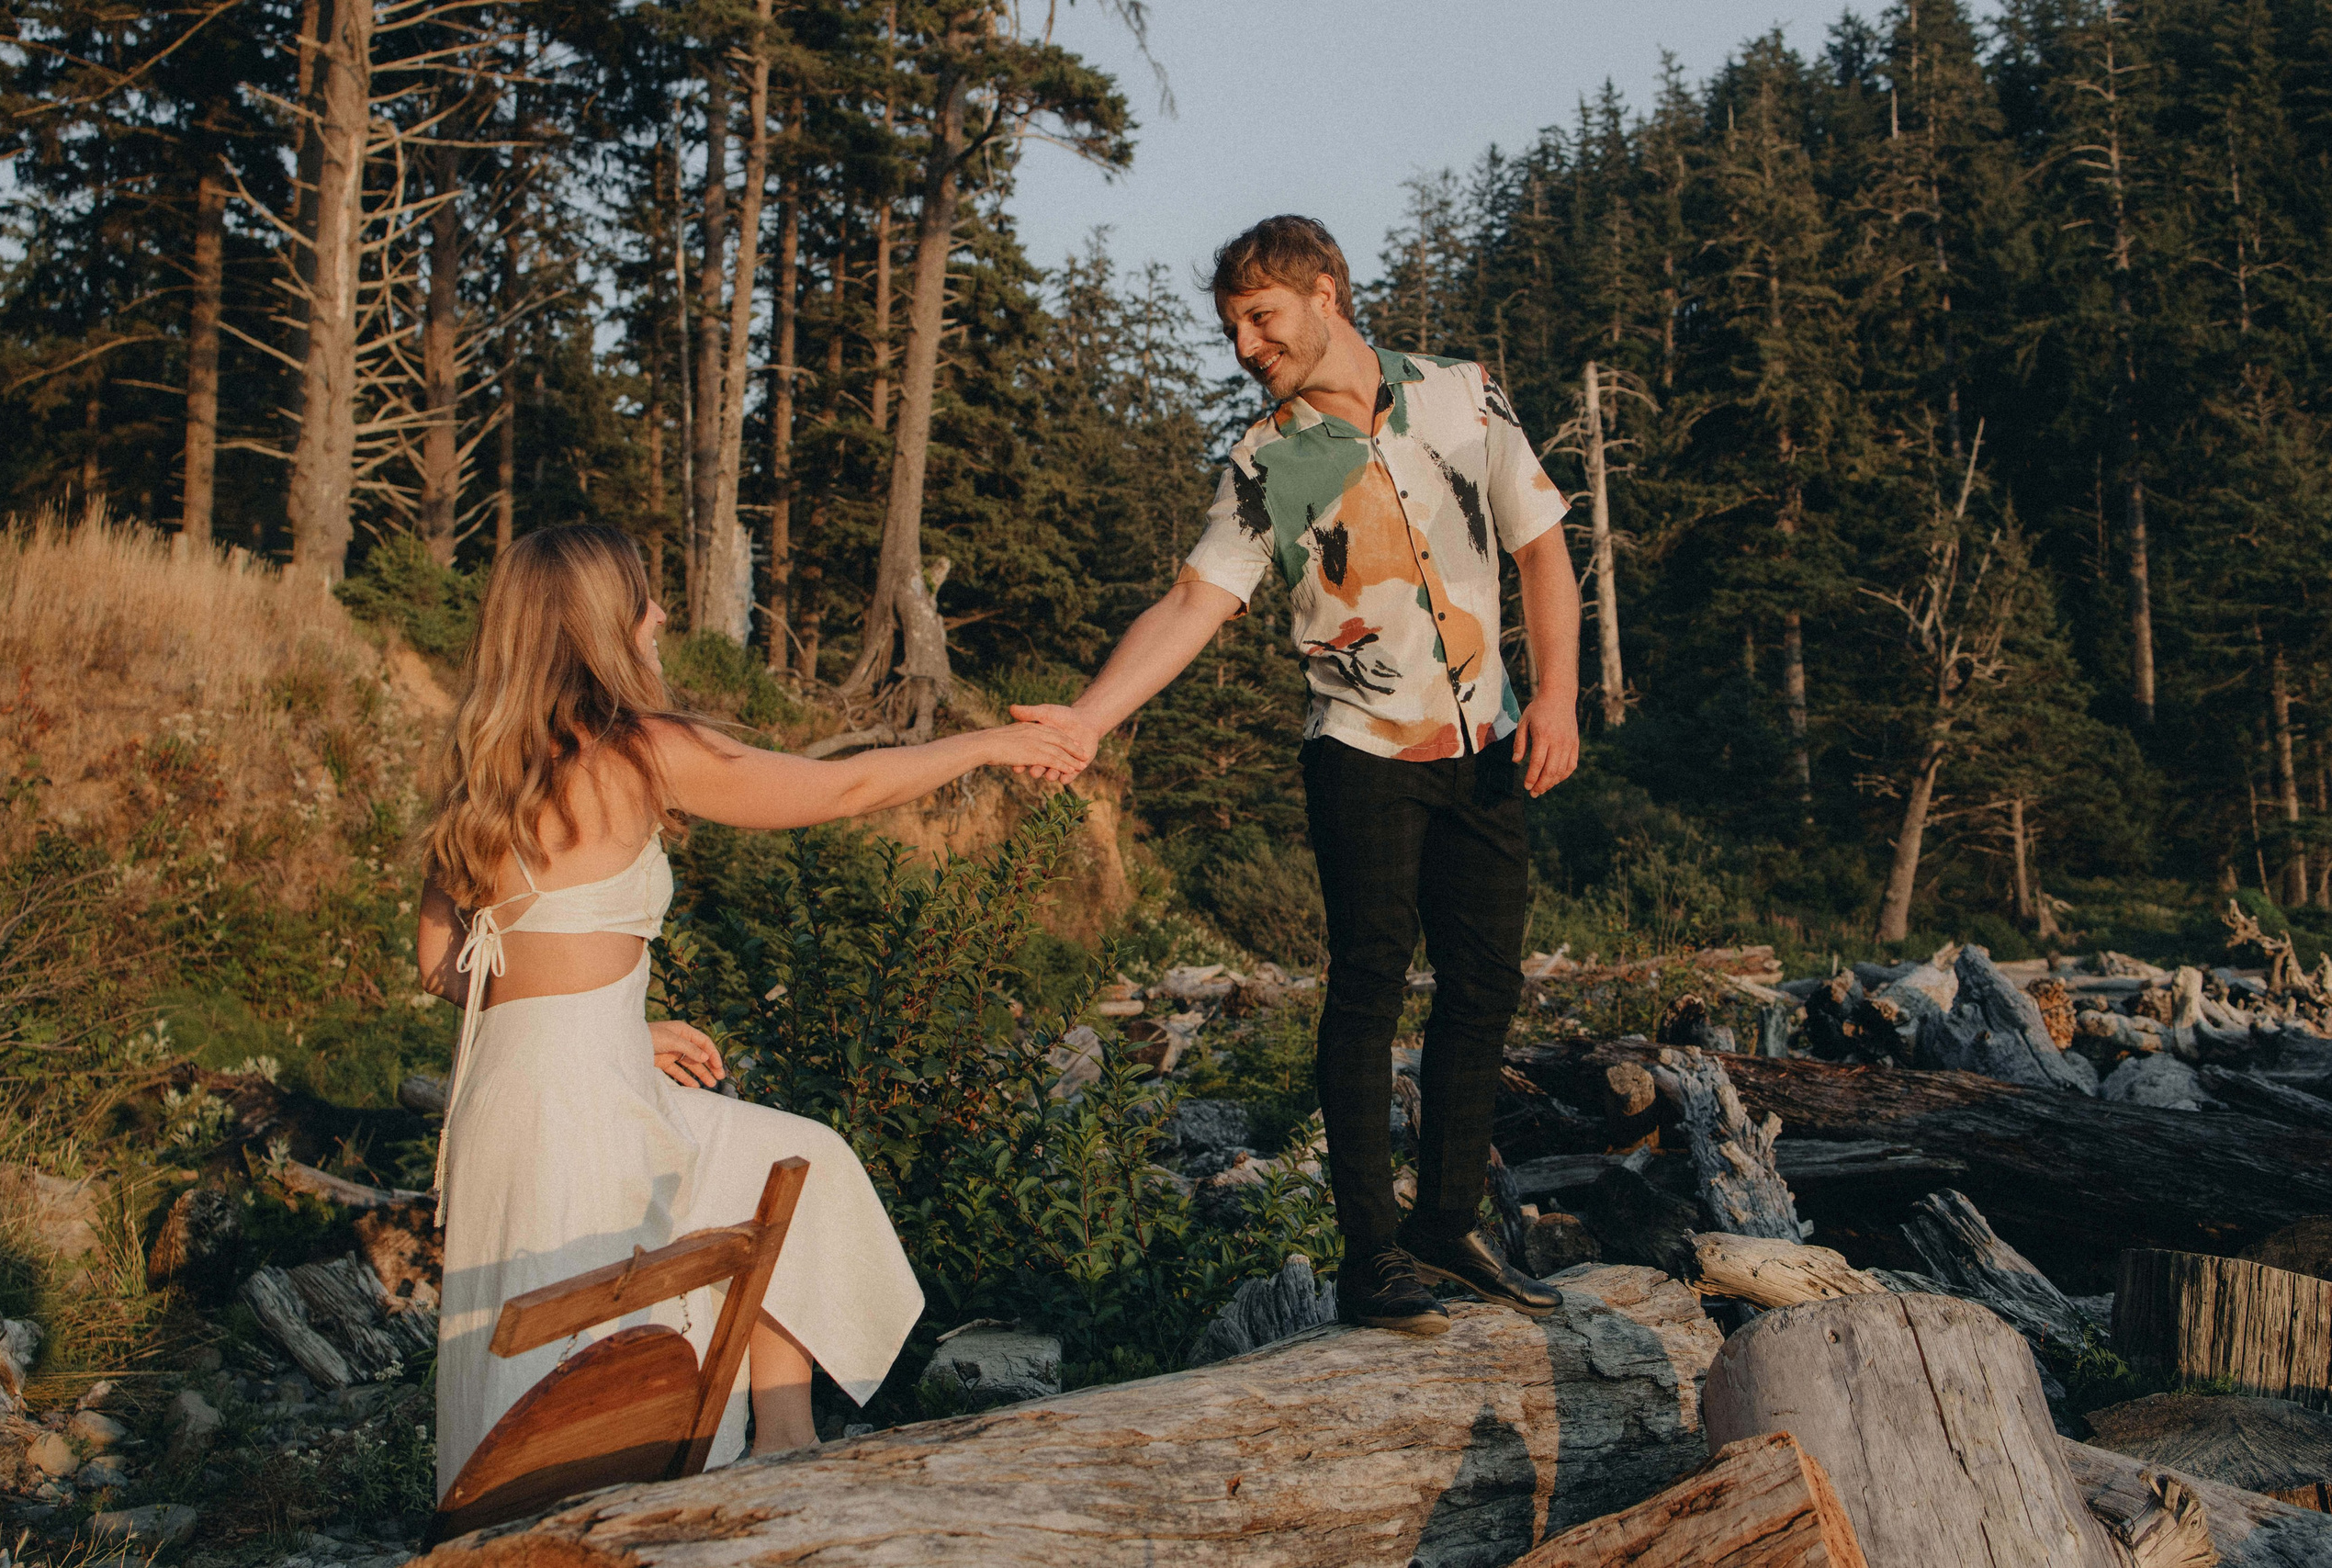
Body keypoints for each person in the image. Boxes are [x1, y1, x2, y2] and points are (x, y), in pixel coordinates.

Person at [414, 525, 1087, 1495]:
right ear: (608, 621)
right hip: (577, 1107)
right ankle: (600, 1518)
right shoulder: (639, 750)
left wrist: (608, 1025)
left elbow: (447, 966)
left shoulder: (481, 770)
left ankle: (780, 1444)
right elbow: (841, 786)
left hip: (518, 1090)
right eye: (643, 599)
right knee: (581, 1344)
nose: (658, 616)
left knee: (789, 1166)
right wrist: (992, 741)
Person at [1015, 216, 1583, 1336]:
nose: (1244, 344)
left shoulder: (1466, 395)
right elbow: (1193, 604)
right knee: (1368, 984)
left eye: (1260, 318)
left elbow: (1542, 550)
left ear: (1326, 293)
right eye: (1230, 327)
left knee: (1484, 987)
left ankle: (1449, 1228)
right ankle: (1372, 1256)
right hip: (1358, 750)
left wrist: (1559, 696)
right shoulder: (1264, 459)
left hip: (1486, 743)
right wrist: (1087, 718)